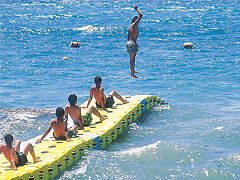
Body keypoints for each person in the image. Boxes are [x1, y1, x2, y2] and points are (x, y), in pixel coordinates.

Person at [127, 5, 143, 78]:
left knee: (133, 58)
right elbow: (141, 15)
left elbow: (127, 38)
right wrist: (137, 9)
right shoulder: (134, 25)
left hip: (130, 43)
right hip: (132, 43)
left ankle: (133, 71)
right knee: (132, 59)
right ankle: (132, 74)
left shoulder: (130, 27)